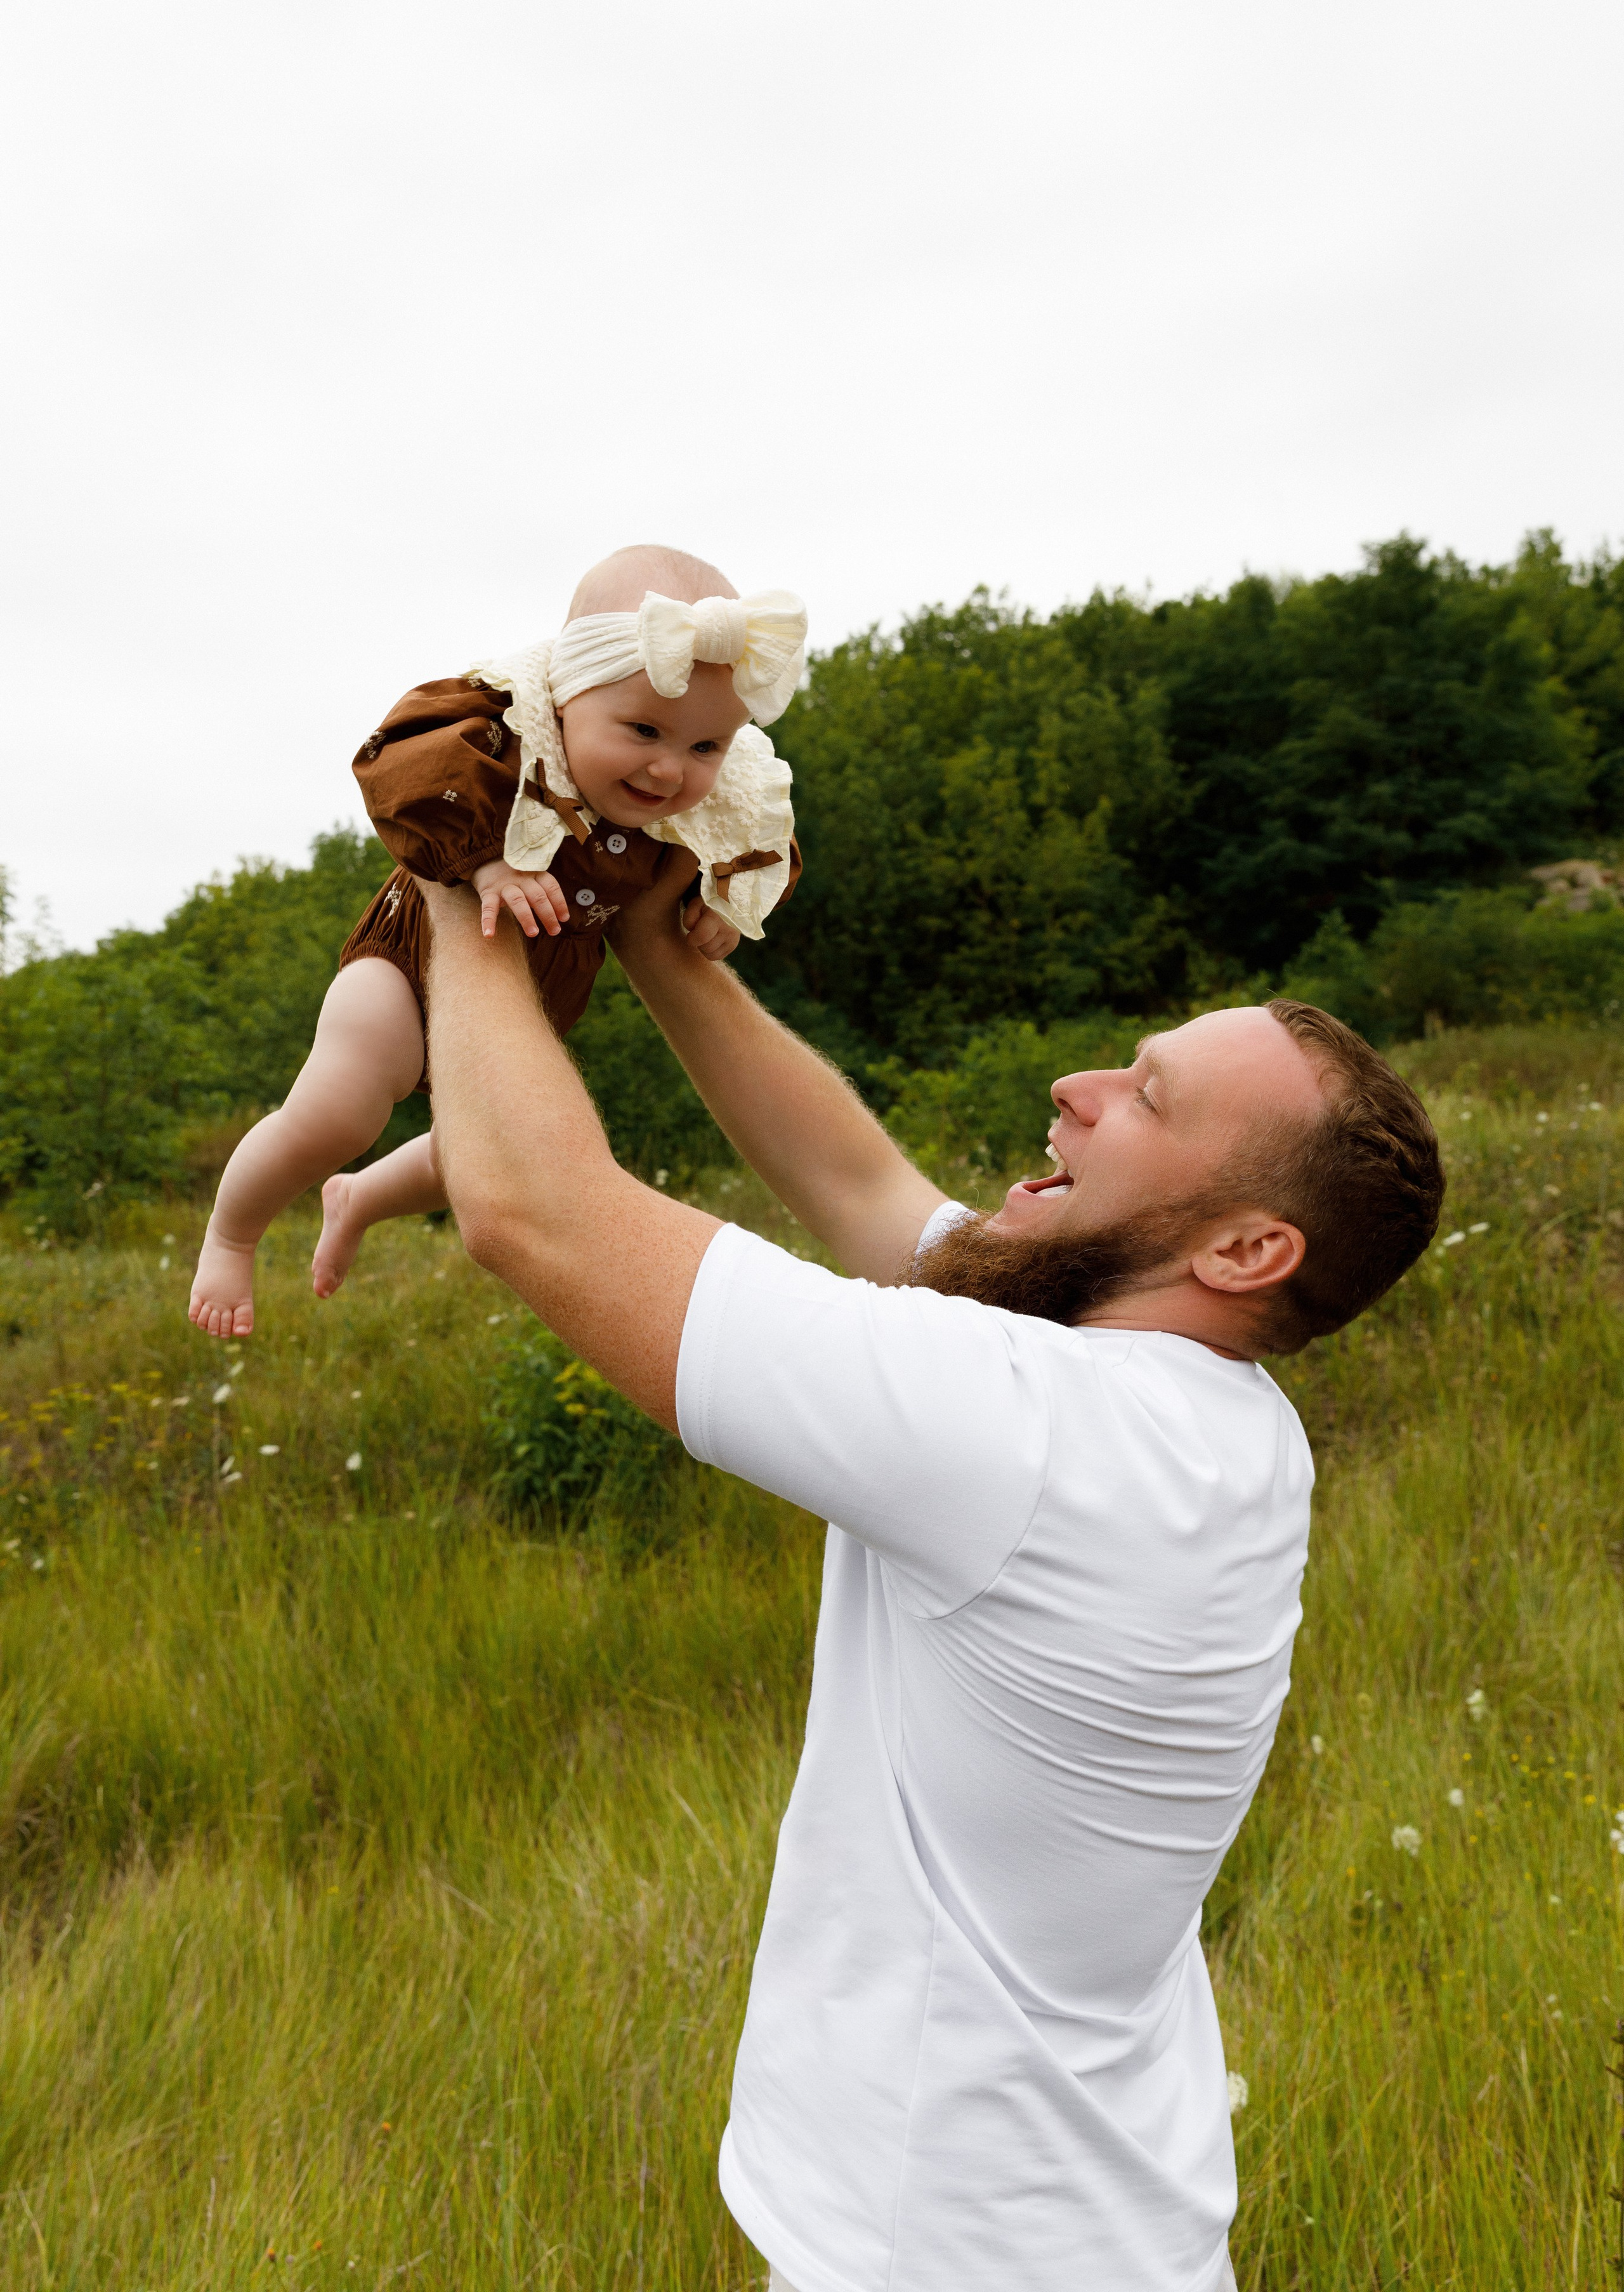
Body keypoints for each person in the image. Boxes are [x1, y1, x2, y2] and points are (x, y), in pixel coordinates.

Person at [412, 853, 1444, 2292]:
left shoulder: (1037, 1428)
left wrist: (459, 871)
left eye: (1147, 1097)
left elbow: (531, 1209)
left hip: (947, 2252)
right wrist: (657, 939)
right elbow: (859, 1185)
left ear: (1245, 1246)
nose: (1079, 1085)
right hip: (1086, 2233)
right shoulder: (1210, 1419)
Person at [188, 546, 804, 1338]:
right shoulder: (506, 727)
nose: (667, 770)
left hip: (527, 995)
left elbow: (760, 833)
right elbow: (400, 758)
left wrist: (721, 900)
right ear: (567, 694)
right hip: (410, 963)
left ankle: (359, 1198)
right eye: (644, 730)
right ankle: (232, 1235)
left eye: (704, 748)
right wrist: (485, 858)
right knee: (341, 1111)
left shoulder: (715, 792)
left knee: (485, 1159)